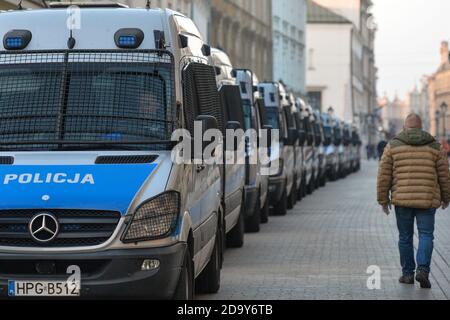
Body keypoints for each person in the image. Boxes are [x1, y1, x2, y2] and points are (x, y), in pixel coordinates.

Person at [377, 113, 450, 289]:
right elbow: (444, 174)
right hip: (426, 200)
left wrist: (383, 200)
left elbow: (384, 175)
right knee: (426, 235)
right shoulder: (434, 146)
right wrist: (446, 197)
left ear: (405, 127)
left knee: (405, 237)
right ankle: (423, 270)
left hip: (402, 201)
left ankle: (408, 274)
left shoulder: (392, 145)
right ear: (421, 126)